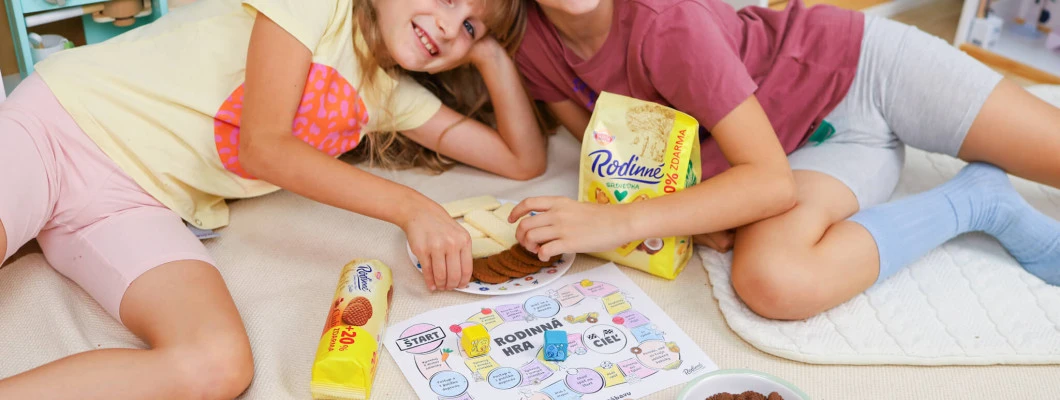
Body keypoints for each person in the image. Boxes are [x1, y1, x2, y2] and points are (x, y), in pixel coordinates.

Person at [0, 0, 542, 397]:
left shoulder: (391, 98)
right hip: (62, 126)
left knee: (218, 363)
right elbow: (262, 147)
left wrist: (491, 55)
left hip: (136, 206)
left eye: (469, 26)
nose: (450, 26)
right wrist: (411, 206)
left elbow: (523, 161)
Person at [509, 0, 1060, 321]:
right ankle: (978, 201)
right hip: (808, 152)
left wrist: (622, 219)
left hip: (863, 69)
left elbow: (767, 185)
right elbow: (612, 150)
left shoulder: (666, 20)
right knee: (774, 283)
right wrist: (690, 213)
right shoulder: (532, 43)